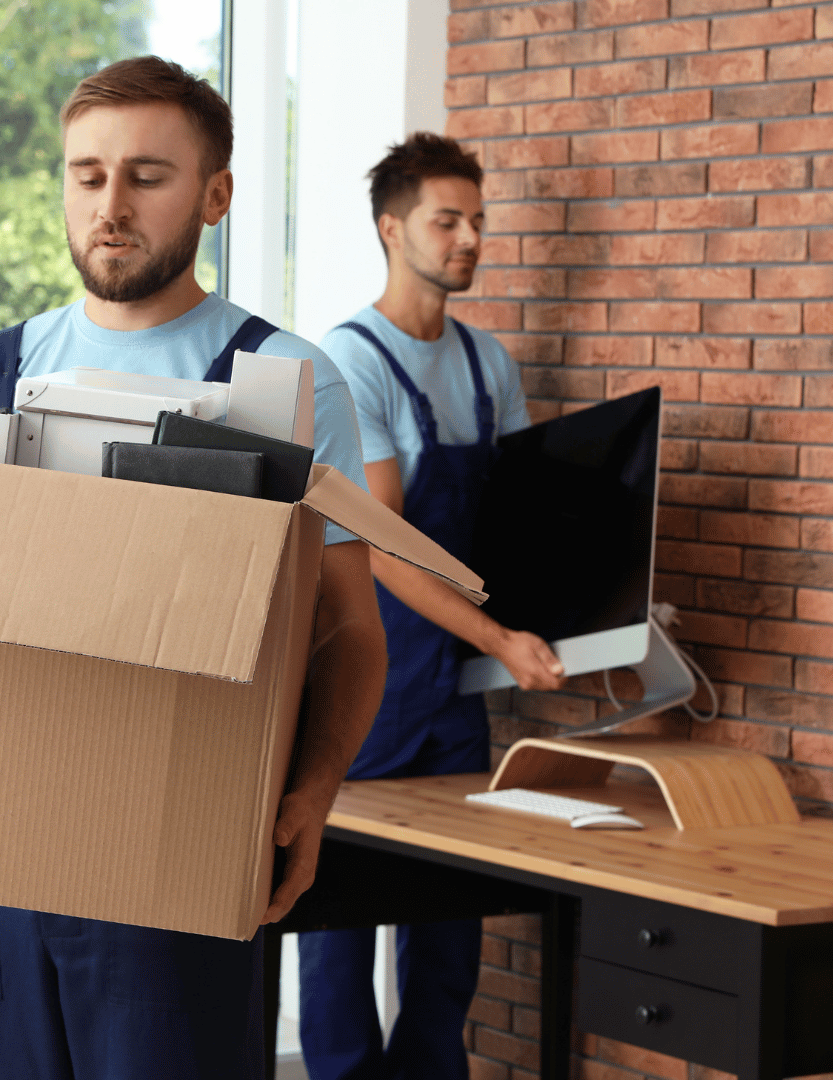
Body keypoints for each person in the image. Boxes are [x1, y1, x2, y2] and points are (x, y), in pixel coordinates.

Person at [0, 56, 389, 1080]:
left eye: (147, 175)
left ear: (215, 195)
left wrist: (310, 797)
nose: (111, 205)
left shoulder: (289, 385)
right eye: (87, 176)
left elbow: (349, 628)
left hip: (185, 841)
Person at [296, 132, 567, 1080]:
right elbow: (378, 544)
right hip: (368, 673)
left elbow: (522, 522)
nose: (468, 240)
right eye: (446, 220)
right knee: (340, 923)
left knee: (451, 923)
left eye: (478, 222)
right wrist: (500, 635)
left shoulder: (489, 362)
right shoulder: (348, 361)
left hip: (455, 689)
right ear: (391, 228)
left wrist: (597, 623)